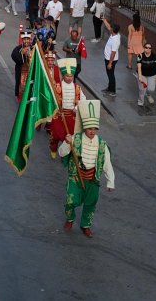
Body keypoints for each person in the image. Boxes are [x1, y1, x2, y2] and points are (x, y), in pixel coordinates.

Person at [58, 100, 115, 238]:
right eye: (90, 129)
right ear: (85, 128)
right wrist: (67, 143)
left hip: (92, 180)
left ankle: (85, 225)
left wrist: (110, 181)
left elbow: (107, 163)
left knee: (90, 204)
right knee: (70, 201)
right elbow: (61, 153)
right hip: (76, 177)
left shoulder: (102, 144)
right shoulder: (75, 138)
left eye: (95, 129)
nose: (92, 131)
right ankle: (70, 218)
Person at [48, 58, 81, 158]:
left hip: (71, 116)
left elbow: (82, 100)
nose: (69, 78)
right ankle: (53, 148)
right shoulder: (57, 86)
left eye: (71, 76)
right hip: (59, 115)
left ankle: (66, 152)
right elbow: (51, 99)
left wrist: (76, 107)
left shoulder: (77, 87)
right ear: (63, 76)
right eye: (67, 76)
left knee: (70, 136)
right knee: (55, 135)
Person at [136, 43, 156, 107]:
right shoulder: (140, 56)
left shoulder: (155, 56)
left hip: (152, 75)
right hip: (142, 74)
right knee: (142, 89)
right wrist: (139, 76)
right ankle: (140, 102)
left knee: (151, 89)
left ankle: (148, 95)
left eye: (149, 48)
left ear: (151, 49)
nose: (148, 49)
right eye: (146, 47)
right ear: (144, 48)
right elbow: (139, 67)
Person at [11, 33, 33, 99]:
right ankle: (20, 98)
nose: (26, 41)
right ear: (22, 40)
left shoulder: (33, 48)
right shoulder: (18, 49)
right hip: (21, 71)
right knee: (21, 84)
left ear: (30, 40)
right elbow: (13, 56)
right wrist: (22, 54)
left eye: (27, 39)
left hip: (31, 70)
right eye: (24, 39)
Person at [102, 23, 121, 97]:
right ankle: (109, 88)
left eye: (111, 28)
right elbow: (108, 27)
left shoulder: (115, 39)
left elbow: (113, 52)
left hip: (111, 60)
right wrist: (104, 20)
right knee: (109, 74)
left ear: (113, 30)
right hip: (107, 58)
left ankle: (113, 91)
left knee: (111, 75)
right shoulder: (114, 34)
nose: (110, 28)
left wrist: (110, 63)